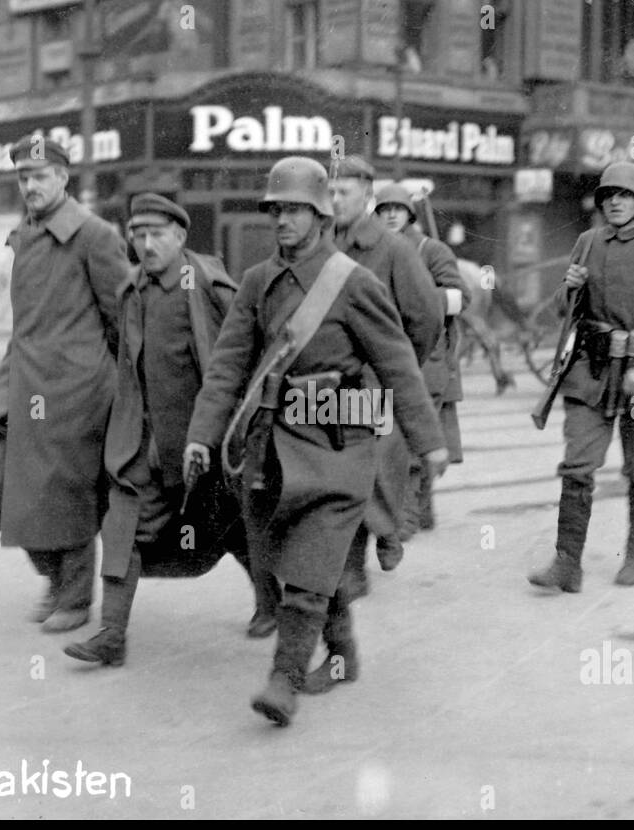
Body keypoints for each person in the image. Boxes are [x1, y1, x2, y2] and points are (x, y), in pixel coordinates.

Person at [184, 156, 449, 726]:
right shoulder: (257, 282)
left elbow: (399, 362)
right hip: (271, 448)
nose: (281, 219)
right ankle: (343, 646)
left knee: (312, 563)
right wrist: (202, 437)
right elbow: (228, 368)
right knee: (286, 561)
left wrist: (428, 443)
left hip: (338, 444)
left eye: (294, 210)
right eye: (275, 209)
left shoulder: (354, 283)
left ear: (321, 215)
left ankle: (284, 679)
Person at [63, 193, 280, 666]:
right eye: (137, 235)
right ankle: (112, 636)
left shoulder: (207, 283)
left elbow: (245, 352)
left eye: (156, 234)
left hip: (206, 440)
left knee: (234, 527)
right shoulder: (130, 290)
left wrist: (239, 428)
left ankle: (270, 602)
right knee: (123, 525)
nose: (145, 244)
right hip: (145, 444)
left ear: (180, 237)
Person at [0, 135, 129, 632]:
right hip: (24, 371)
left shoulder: (94, 234)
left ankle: (76, 596)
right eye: (23, 177)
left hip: (74, 384)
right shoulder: (25, 232)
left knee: (66, 487)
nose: (31, 186)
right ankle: (54, 576)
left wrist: (101, 375)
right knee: (5, 467)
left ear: (63, 177)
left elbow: (121, 315)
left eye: (40, 176)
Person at [528, 161, 634, 592]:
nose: (614, 202)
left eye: (624, 195)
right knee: (577, 464)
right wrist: (571, 286)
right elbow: (565, 310)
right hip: (591, 372)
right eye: (608, 196)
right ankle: (567, 563)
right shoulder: (587, 242)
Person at [328, 155, 444, 584]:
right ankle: (361, 549)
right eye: (330, 191)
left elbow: (426, 316)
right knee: (334, 472)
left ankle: (380, 536)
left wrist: (395, 365)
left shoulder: (393, 249)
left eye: (344, 191)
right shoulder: (319, 244)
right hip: (326, 387)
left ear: (367, 195)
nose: (335, 199)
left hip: (375, 380)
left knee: (375, 468)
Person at [374, 183, 469, 533]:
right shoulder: (372, 251)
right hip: (385, 356)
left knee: (415, 438)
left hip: (426, 357)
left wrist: (418, 302)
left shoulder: (432, 250)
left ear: (410, 214)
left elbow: (461, 297)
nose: (391, 216)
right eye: (384, 210)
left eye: (398, 210)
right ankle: (420, 510)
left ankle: (409, 515)